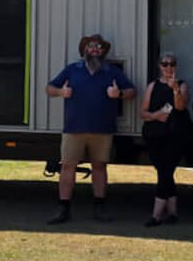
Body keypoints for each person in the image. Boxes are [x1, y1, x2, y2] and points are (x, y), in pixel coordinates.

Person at [46, 34, 135, 224]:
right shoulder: (72, 70)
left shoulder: (112, 71)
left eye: (98, 47)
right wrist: (61, 92)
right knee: (68, 166)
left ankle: (100, 208)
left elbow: (132, 92)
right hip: (73, 129)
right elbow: (49, 88)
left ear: (103, 51)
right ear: (84, 50)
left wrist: (118, 93)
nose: (94, 49)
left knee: (100, 167)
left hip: (102, 130)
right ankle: (63, 209)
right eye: (90, 46)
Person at [139, 52, 193, 226]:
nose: (168, 68)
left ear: (175, 66)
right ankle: (173, 213)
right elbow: (143, 113)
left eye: (172, 64)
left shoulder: (182, 85)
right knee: (165, 173)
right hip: (154, 136)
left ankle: (155, 215)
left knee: (165, 172)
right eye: (165, 64)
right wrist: (156, 115)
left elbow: (180, 106)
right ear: (159, 66)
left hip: (175, 136)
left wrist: (175, 89)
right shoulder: (152, 86)